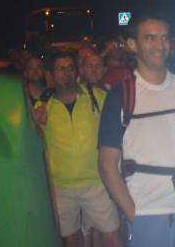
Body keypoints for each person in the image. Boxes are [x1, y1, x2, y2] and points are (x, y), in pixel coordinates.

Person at [98, 11, 175, 247]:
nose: (160, 45)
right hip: (146, 212)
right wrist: (132, 213)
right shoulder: (121, 96)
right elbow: (106, 163)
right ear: (133, 45)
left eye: (164, 38)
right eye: (150, 38)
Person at [33, 51, 122, 247]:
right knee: (71, 240)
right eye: (60, 69)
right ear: (51, 74)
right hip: (60, 187)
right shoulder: (42, 107)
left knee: (112, 237)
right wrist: (36, 122)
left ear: (77, 71)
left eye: (70, 68)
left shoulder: (97, 97)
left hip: (96, 183)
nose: (66, 73)